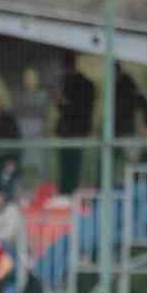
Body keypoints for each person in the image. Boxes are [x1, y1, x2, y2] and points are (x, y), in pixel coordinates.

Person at [54, 53, 95, 196]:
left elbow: (77, 107)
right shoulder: (68, 81)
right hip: (70, 131)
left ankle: (71, 192)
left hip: (75, 130)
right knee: (69, 163)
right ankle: (67, 192)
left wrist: (64, 103)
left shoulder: (81, 84)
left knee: (73, 163)